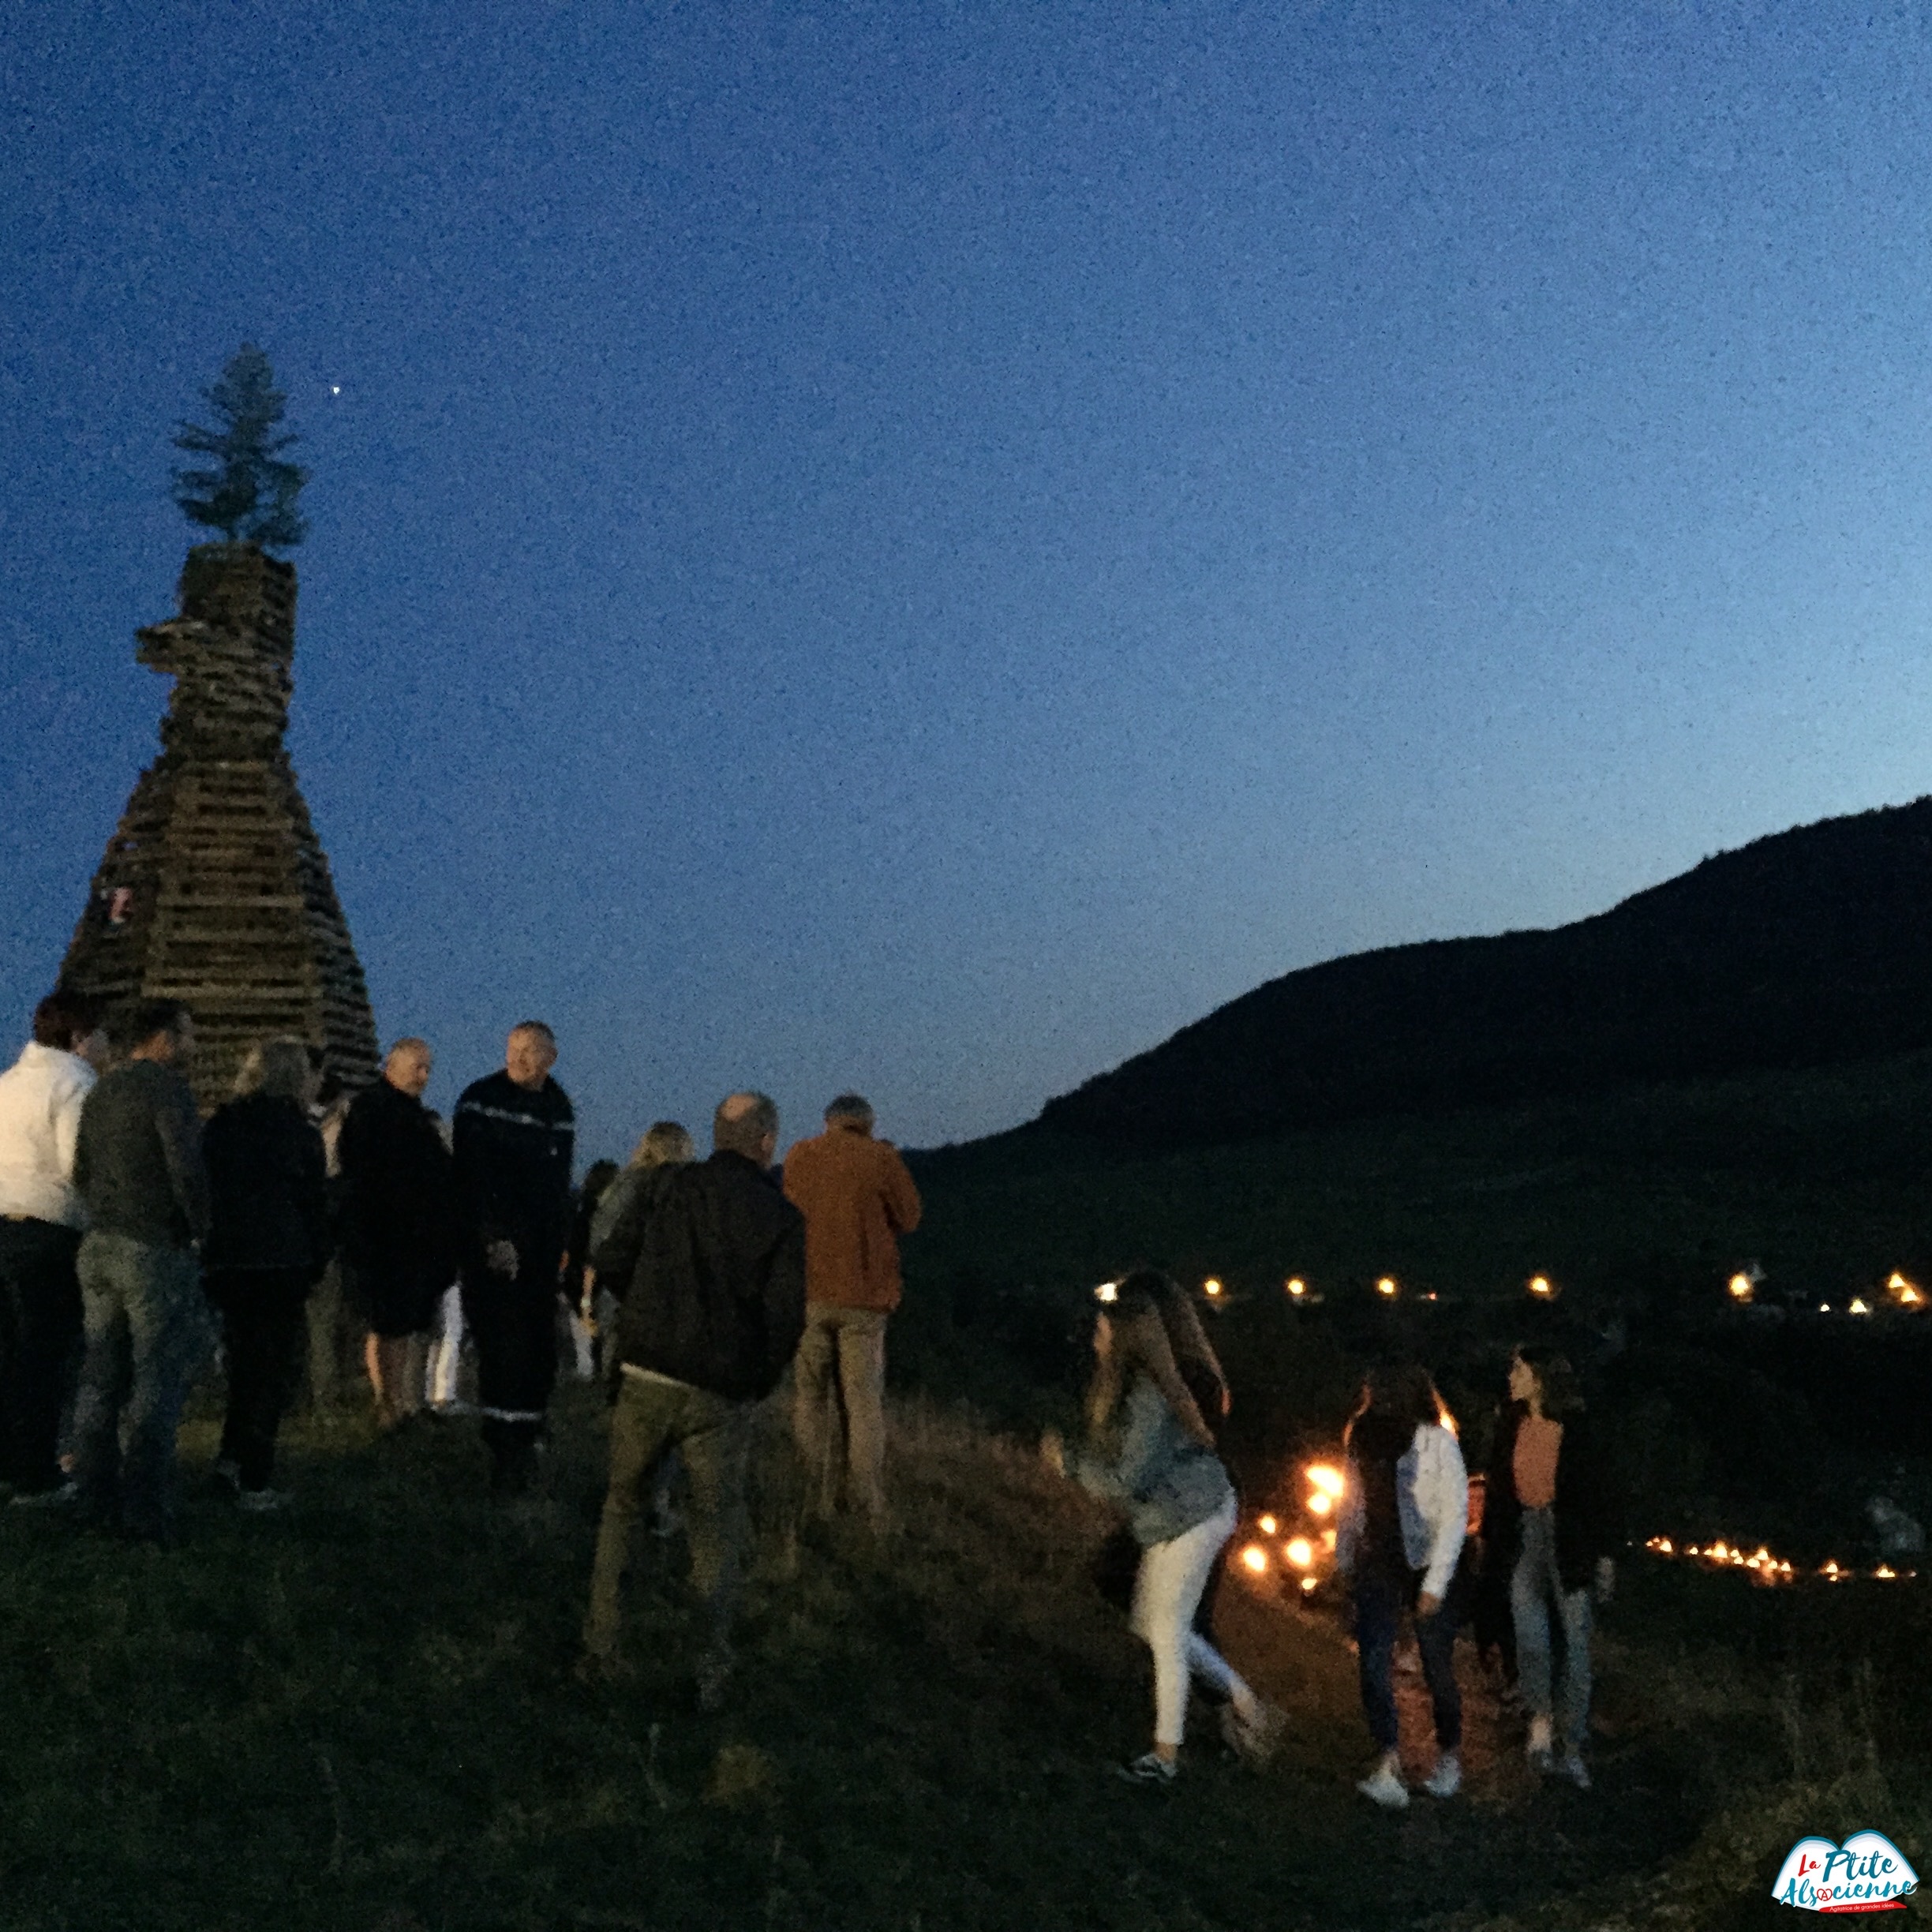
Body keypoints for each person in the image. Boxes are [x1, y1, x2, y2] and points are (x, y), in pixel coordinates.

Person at [581, 1092, 805, 1708]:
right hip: (718, 1392)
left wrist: (643, 1318)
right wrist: (755, 1379)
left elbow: (611, 1259)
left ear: (715, 1135)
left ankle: (600, 1646)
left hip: (647, 1373)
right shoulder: (779, 1216)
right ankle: (708, 1668)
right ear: (766, 1143)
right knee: (714, 1528)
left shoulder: (666, 1188)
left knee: (622, 1506)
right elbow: (785, 1319)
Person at [1045, 1270, 1279, 1783]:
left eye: (1104, 1326)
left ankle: (1165, 1758)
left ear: (1126, 1330)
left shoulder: (1152, 1391)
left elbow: (1130, 1478)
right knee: (1153, 1625)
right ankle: (1245, 1705)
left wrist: (1069, 1464)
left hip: (1191, 1516)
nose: (1096, 1334)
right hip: (1185, 1512)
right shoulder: (1161, 1378)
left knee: (1169, 1633)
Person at [67, 999, 212, 1545]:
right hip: (150, 1245)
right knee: (157, 1374)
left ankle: (91, 1498)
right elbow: (184, 1166)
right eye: (187, 1035)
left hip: (99, 1242)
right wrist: (199, 1227)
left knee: (101, 1375)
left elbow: (81, 1166)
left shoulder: (102, 1089)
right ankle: (145, 1511)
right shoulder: (165, 1089)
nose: (192, 1047)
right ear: (164, 1039)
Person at [1484, 1346, 1621, 1790]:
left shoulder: (1577, 1427)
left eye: (1519, 1369)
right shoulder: (1512, 1422)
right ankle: (1540, 1720)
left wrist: (1603, 1555)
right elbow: (1499, 1486)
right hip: (1527, 1534)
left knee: (1576, 1644)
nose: (1511, 1376)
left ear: (1540, 1377)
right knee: (1531, 1635)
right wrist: (1490, 1540)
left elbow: (1599, 1494)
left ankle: (1573, 1747)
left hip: (1568, 1539)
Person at [783, 1094, 922, 1529]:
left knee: (809, 1399)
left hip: (808, 1294)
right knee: (862, 1404)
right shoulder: (879, 1158)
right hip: (863, 1299)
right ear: (867, 1123)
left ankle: (811, 1495)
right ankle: (864, 1501)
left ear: (828, 1122)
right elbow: (910, 1217)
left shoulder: (800, 1156)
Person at [203, 1039, 331, 1507]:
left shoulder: (222, 1125)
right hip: (280, 1263)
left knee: (243, 1367)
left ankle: (229, 1460)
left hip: (231, 1262)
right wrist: (316, 1259)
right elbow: (313, 1204)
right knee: (272, 1372)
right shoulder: (298, 1133)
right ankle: (254, 1476)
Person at [1335, 1361, 1469, 1809]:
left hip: (1425, 1561)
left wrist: (1435, 1583)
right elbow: (1352, 1497)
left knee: (1435, 1664)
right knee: (1374, 1659)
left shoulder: (1438, 1442)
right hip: (1377, 1560)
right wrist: (1344, 1553)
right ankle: (1389, 1760)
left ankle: (1449, 1755)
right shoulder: (1361, 1435)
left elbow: (1454, 1515)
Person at [452, 1023, 575, 1496]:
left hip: (541, 1250)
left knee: (539, 1345)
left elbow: (557, 1182)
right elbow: (473, 1177)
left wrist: (558, 1241)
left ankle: (531, 1429)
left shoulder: (557, 1108)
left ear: (550, 1057)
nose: (518, 1059)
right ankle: (505, 1450)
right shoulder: (482, 1100)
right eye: (513, 1050)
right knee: (504, 1345)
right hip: (497, 1247)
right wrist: (493, 1237)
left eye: (529, 1052)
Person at [0, 990, 103, 1503]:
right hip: (46, 1229)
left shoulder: (9, 1082)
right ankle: (36, 1474)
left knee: (8, 1352)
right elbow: (76, 1164)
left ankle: (9, 1460)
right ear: (81, 1037)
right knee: (44, 1356)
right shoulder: (75, 1082)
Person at [338, 1038, 461, 1431]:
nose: (424, 1077)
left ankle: (405, 1400)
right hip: (388, 1237)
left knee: (406, 1325)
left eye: (428, 1069)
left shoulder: (411, 1115)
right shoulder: (373, 1111)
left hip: (415, 1239)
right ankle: (389, 1405)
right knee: (390, 1325)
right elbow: (367, 1175)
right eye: (417, 1068)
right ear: (393, 1067)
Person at [586, 1122, 697, 1380]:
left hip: (616, 1291)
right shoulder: (656, 1187)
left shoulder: (622, 1183)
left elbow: (599, 1242)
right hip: (635, 1295)